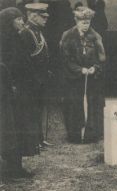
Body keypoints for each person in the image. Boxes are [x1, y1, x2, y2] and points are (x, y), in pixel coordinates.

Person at [60, 6, 106, 143]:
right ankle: (74, 135)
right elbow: (66, 59)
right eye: (82, 22)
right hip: (74, 78)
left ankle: (91, 135)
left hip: (92, 79)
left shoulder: (96, 36)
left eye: (88, 22)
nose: (86, 26)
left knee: (93, 104)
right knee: (74, 105)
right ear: (76, 21)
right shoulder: (67, 36)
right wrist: (79, 69)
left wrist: (95, 68)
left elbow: (102, 58)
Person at [15, 3, 53, 153]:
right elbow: (25, 60)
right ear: (32, 15)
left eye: (45, 16)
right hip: (31, 80)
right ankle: (33, 141)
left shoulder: (38, 32)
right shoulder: (26, 33)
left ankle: (39, 139)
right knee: (31, 110)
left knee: (38, 108)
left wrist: (46, 72)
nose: (46, 19)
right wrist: (36, 76)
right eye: (42, 17)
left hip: (40, 78)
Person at [0, 8, 33, 179]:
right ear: (9, 22)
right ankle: (7, 168)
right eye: (18, 19)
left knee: (20, 128)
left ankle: (17, 167)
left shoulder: (18, 38)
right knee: (8, 131)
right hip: (7, 94)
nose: (22, 22)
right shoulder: (3, 40)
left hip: (20, 91)